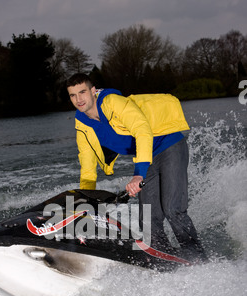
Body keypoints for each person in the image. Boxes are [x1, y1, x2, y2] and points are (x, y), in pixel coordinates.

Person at [66, 72, 206, 262]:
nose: (78, 99)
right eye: (73, 95)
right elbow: (88, 166)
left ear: (92, 91)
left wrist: (138, 175)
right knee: (148, 219)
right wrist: (85, 201)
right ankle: (165, 259)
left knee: (173, 209)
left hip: (168, 144)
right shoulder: (82, 123)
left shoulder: (113, 103)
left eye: (82, 92)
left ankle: (198, 259)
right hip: (145, 155)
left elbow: (142, 130)